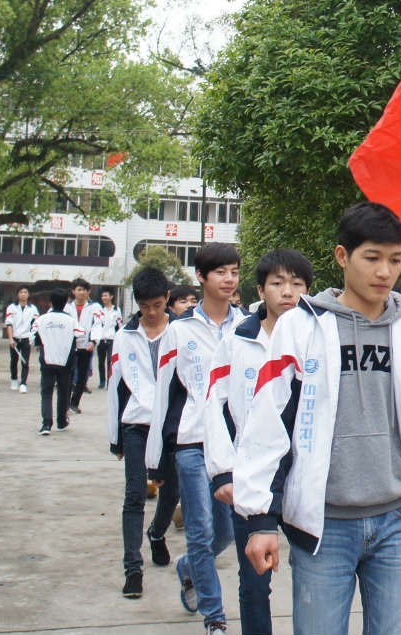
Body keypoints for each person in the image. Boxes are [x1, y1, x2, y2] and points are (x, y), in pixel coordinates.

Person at [236, 201, 401, 635]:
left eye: (394, 260)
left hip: (395, 521)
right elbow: (270, 422)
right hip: (324, 525)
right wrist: (262, 520)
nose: (384, 272)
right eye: (372, 258)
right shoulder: (301, 328)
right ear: (342, 257)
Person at [204, 248, 313, 635]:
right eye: (277, 283)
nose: (287, 292)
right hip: (251, 478)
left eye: (297, 284)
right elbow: (215, 408)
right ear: (260, 289)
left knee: (313, 578)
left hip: (304, 478)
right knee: (254, 582)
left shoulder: (316, 342)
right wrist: (223, 474)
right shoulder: (237, 343)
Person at [146, 244, 245, 635]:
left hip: (233, 448)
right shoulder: (179, 331)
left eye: (234, 271)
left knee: (224, 534)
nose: (229, 279)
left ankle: (188, 568)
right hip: (191, 445)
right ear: (201, 277)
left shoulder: (248, 326)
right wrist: (156, 458)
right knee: (201, 531)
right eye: (220, 272)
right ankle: (214, 617)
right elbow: (163, 396)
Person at [109, 268, 183, 599]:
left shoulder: (182, 332)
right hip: (137, 424)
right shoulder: (125, 336)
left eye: (157, 304)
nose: (151, 312)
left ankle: (157, 532)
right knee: (135, 495)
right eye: (145, 306)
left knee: (172, 490)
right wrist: (116, 439)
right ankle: (132, 569)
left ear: (167, 299)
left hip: (172, 427)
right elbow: (115, 387)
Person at [34, 288, 78, 435]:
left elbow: (34, 337)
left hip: (47, 359)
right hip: (66, 361)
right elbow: (79, 336)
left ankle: (46, 424)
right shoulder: (71, 320)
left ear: (51, 302)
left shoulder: (41, 319)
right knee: (63, 391)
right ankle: (61, 421)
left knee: (46, 392)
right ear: (66, 302)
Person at [68, 278, 99, 412]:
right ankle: (65, 401)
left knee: (81, 377)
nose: (81, 293)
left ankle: (75, 403)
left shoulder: (94, 307)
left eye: (84, 290)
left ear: (88, 292)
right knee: (68, 375)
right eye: (79, 290)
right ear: (73, 291)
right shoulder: (67, 307)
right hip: (69, 346)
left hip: (86, 346)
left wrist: (93, 341)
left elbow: (98, 324)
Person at [4, 285, 38, 394]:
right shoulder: (12, 308)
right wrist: (10, 339)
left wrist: (33, 338)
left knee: (25, 361)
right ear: (18, 294)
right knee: (14, 360)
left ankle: (23, 383)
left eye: (25, 292)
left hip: (26, 338)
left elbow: (36, 324)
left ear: (28, 294)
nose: (23, 294)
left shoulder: (33, 308)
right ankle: (14, 379)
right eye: (21, 292)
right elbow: (9, 324)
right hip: (15, 338)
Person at [96, 288, 119, 389]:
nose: (104, 298)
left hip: (111, 338)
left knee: (110, 361)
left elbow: (119, 324)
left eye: (106, 295)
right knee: (101, 361)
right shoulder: (99, 310)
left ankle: (110, 382)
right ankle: (102, 381)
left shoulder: (116, 310)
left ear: (111, 297)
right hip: (101, 338)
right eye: (102, 296)